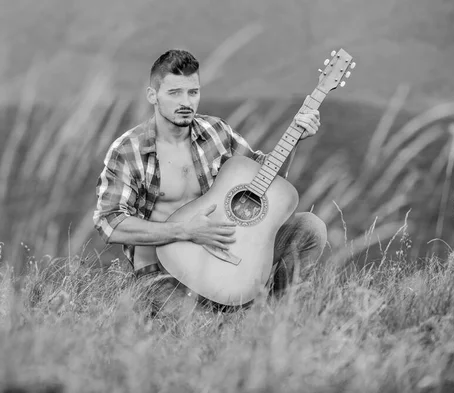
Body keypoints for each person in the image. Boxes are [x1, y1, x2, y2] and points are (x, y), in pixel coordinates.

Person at [93, 49, 327, 317]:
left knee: (311, 227)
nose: (186, 101)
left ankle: (279, 321)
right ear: (152, 95)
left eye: (193, 92)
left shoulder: (217, 132)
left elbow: (266, 179)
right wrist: (184, 231)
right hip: (163, 276)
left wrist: (294, 138)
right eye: (174, 92)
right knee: (203, 333)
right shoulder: (128, 150)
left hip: (230, 261)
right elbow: (109, 224)